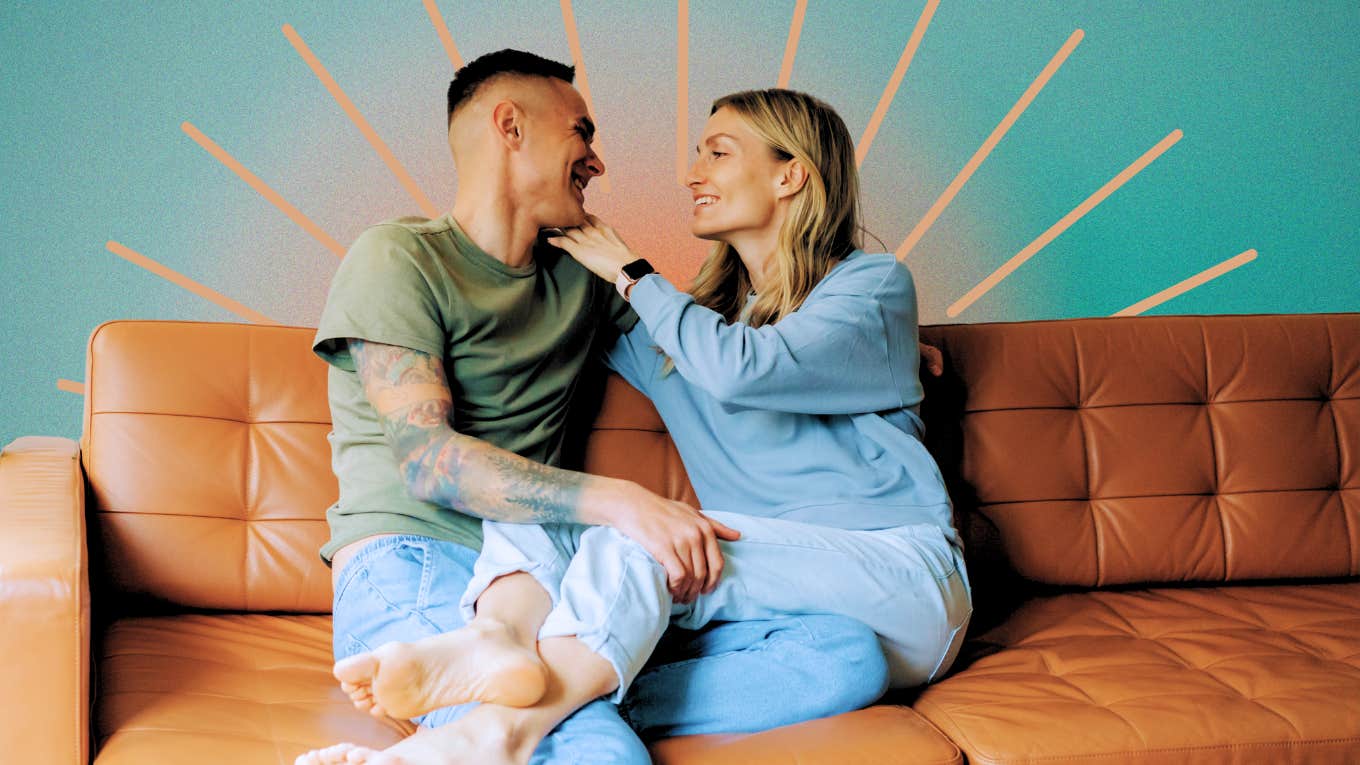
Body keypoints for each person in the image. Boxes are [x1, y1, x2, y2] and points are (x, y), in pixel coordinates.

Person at [325, 88, 972, 765]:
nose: (693, 174)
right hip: (790, 599)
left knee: (644, 534)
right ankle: (538, 670)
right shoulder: (687, 330)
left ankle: (496, 729)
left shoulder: (871, 286)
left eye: (717, 153)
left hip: (900, 571)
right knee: (842, 659)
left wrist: (633, 273)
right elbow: (615, 331)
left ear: (791, 174)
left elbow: (747, 368)